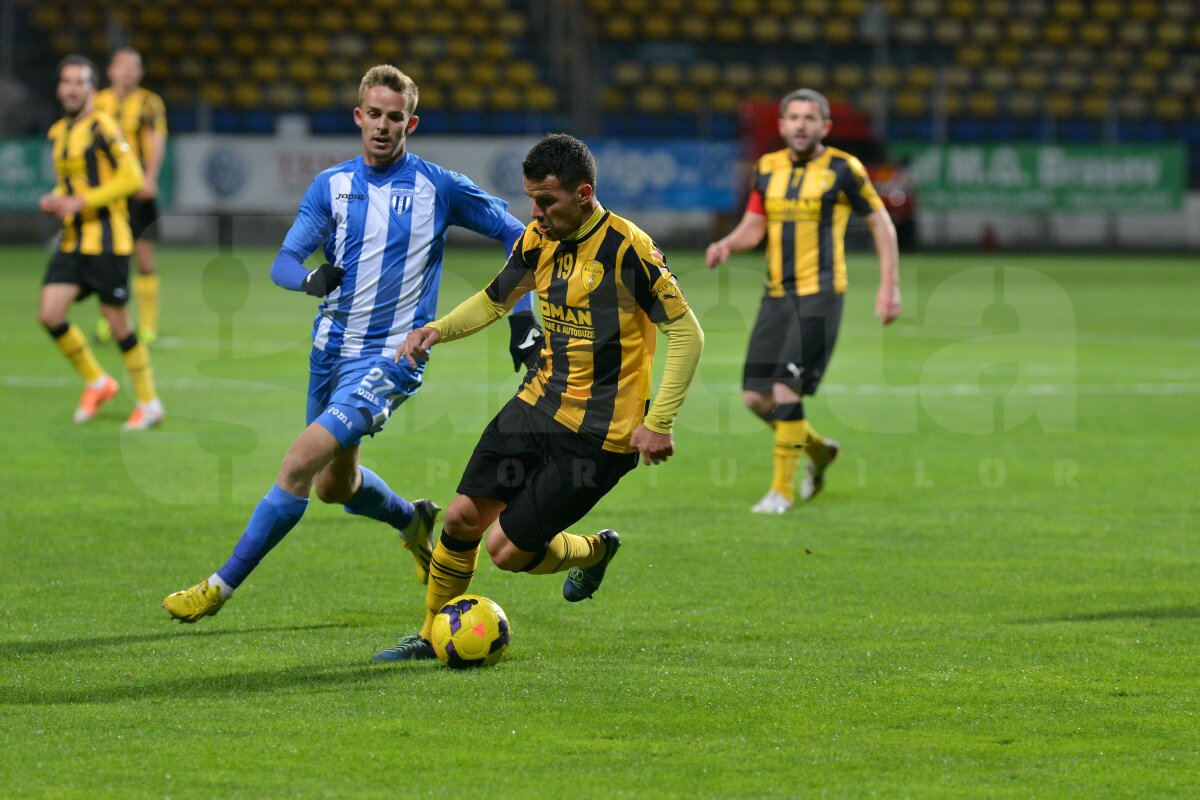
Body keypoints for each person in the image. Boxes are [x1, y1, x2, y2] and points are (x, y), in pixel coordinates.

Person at [162, 65, 534, 622]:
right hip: (330, 352)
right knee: (338, 485)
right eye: (374, 115)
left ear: (412, 122)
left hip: (391, 359)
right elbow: (283, 262)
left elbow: (521, 239)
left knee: (296, 466)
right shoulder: (331, 186)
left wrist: (521, 318)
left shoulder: (439, 186)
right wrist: (309, 279)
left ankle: (219, 587)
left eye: (395, 117)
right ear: (359, 117)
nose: (383, 127)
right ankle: (412, 520)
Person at [373, 133, 705, 662]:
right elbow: (495, 299)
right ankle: (431, 632)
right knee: (460, 519)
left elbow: (688, 335)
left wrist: (659, 421)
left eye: (547, 201)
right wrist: (436, 330)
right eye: (531, 199)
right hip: (537, 404)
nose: (536, 212)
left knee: (505, 551)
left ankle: (595, 550)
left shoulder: (630, 249)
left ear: (584, 194)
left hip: (602, 435)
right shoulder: (538, 238)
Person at [705, 88, 900, 514]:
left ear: (824, 127)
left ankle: (781, 492)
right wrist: (727, 245)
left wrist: (890, 286)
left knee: (784, 388)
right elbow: (754, 228)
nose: (800, 125)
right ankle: (817, 450)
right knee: (755, 398)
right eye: (793, 117)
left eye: (809, 118)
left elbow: (881, 223)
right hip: (776, 294)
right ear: (781, 125)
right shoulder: (767, 168)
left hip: (821, 293)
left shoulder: (844, 169)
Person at [37, 55, 165, 431]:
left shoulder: (103, 127)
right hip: (74, 240)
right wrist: (57, 197)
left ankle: (149, 402)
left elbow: (132, 177)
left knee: (119, 326)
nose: (72, 88)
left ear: (92, 89)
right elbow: (73, 186)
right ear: (59, 88)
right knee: (50, 314)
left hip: (109, 243)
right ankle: (98, 381)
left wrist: (81, 202)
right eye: (66, 82)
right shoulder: (58, 132)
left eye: (79, 82)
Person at [93, 47, 167, 345]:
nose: (126, 72)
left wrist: (150, 178)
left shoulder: (149, 103)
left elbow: (156, 139)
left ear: (140, 73)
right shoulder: (99, 102)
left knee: (143, 256)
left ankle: (148, 325)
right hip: (107, 193)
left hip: (136, 192)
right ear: (111, 71)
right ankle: (108, 320)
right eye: (121, 67)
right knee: (105, 257)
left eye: (132, 67)